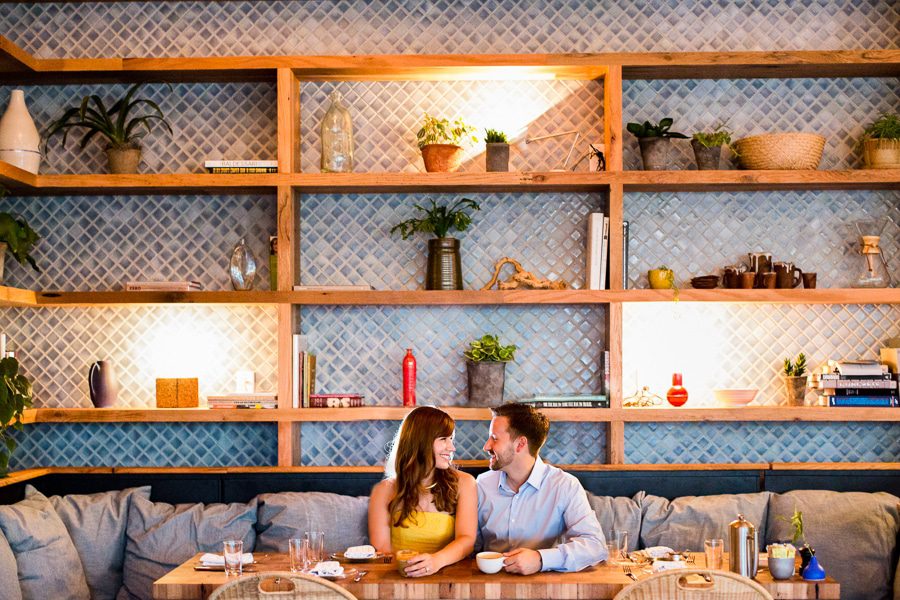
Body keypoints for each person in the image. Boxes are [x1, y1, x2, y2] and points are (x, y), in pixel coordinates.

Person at [476, 402, 607, 574]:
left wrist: (541, 559)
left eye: (494, 438)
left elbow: (595, 546)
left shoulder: (564, 486)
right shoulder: (482, 484)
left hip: (545, 583)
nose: (486, 446)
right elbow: (469, 546)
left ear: (520, 444)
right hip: (488, 583)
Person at [369, 406, 477, 577]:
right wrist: (414, 570)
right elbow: (383, 550)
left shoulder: (465, 483)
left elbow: (467, 539)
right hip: (400, 576)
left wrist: (436, 561)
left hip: (448, 578)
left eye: (451, 439)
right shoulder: (383, 491)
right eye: (443, 439)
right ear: (421, 441)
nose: (452, 448)